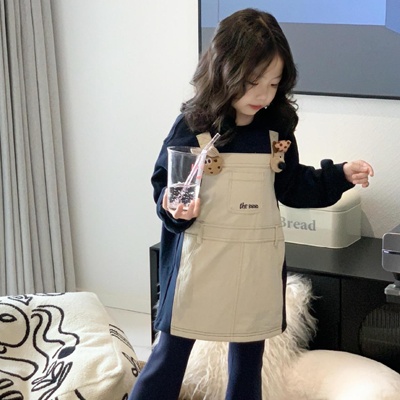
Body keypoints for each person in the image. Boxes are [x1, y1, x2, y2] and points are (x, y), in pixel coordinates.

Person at [128, 8, 374, 400]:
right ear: (222, 72)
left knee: (248, 364)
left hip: (257, 262)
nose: (263, 95)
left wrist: (340, 175)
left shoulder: (276, 129)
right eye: (252, 82)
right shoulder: (193, 125)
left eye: (273, 84)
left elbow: (294, 187)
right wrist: (174, 206)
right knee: (168, 358)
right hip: (199, 261)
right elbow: (167, 186)